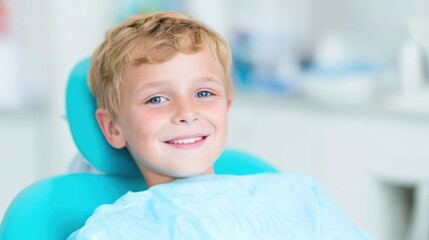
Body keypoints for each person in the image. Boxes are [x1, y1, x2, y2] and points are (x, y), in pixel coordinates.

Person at [69, 11, 371, 239]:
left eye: (204, 93)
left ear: (226, 106)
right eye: (157, 99)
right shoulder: (115, 232)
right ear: (113, 128)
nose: (187, 113)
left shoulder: (299, 197)